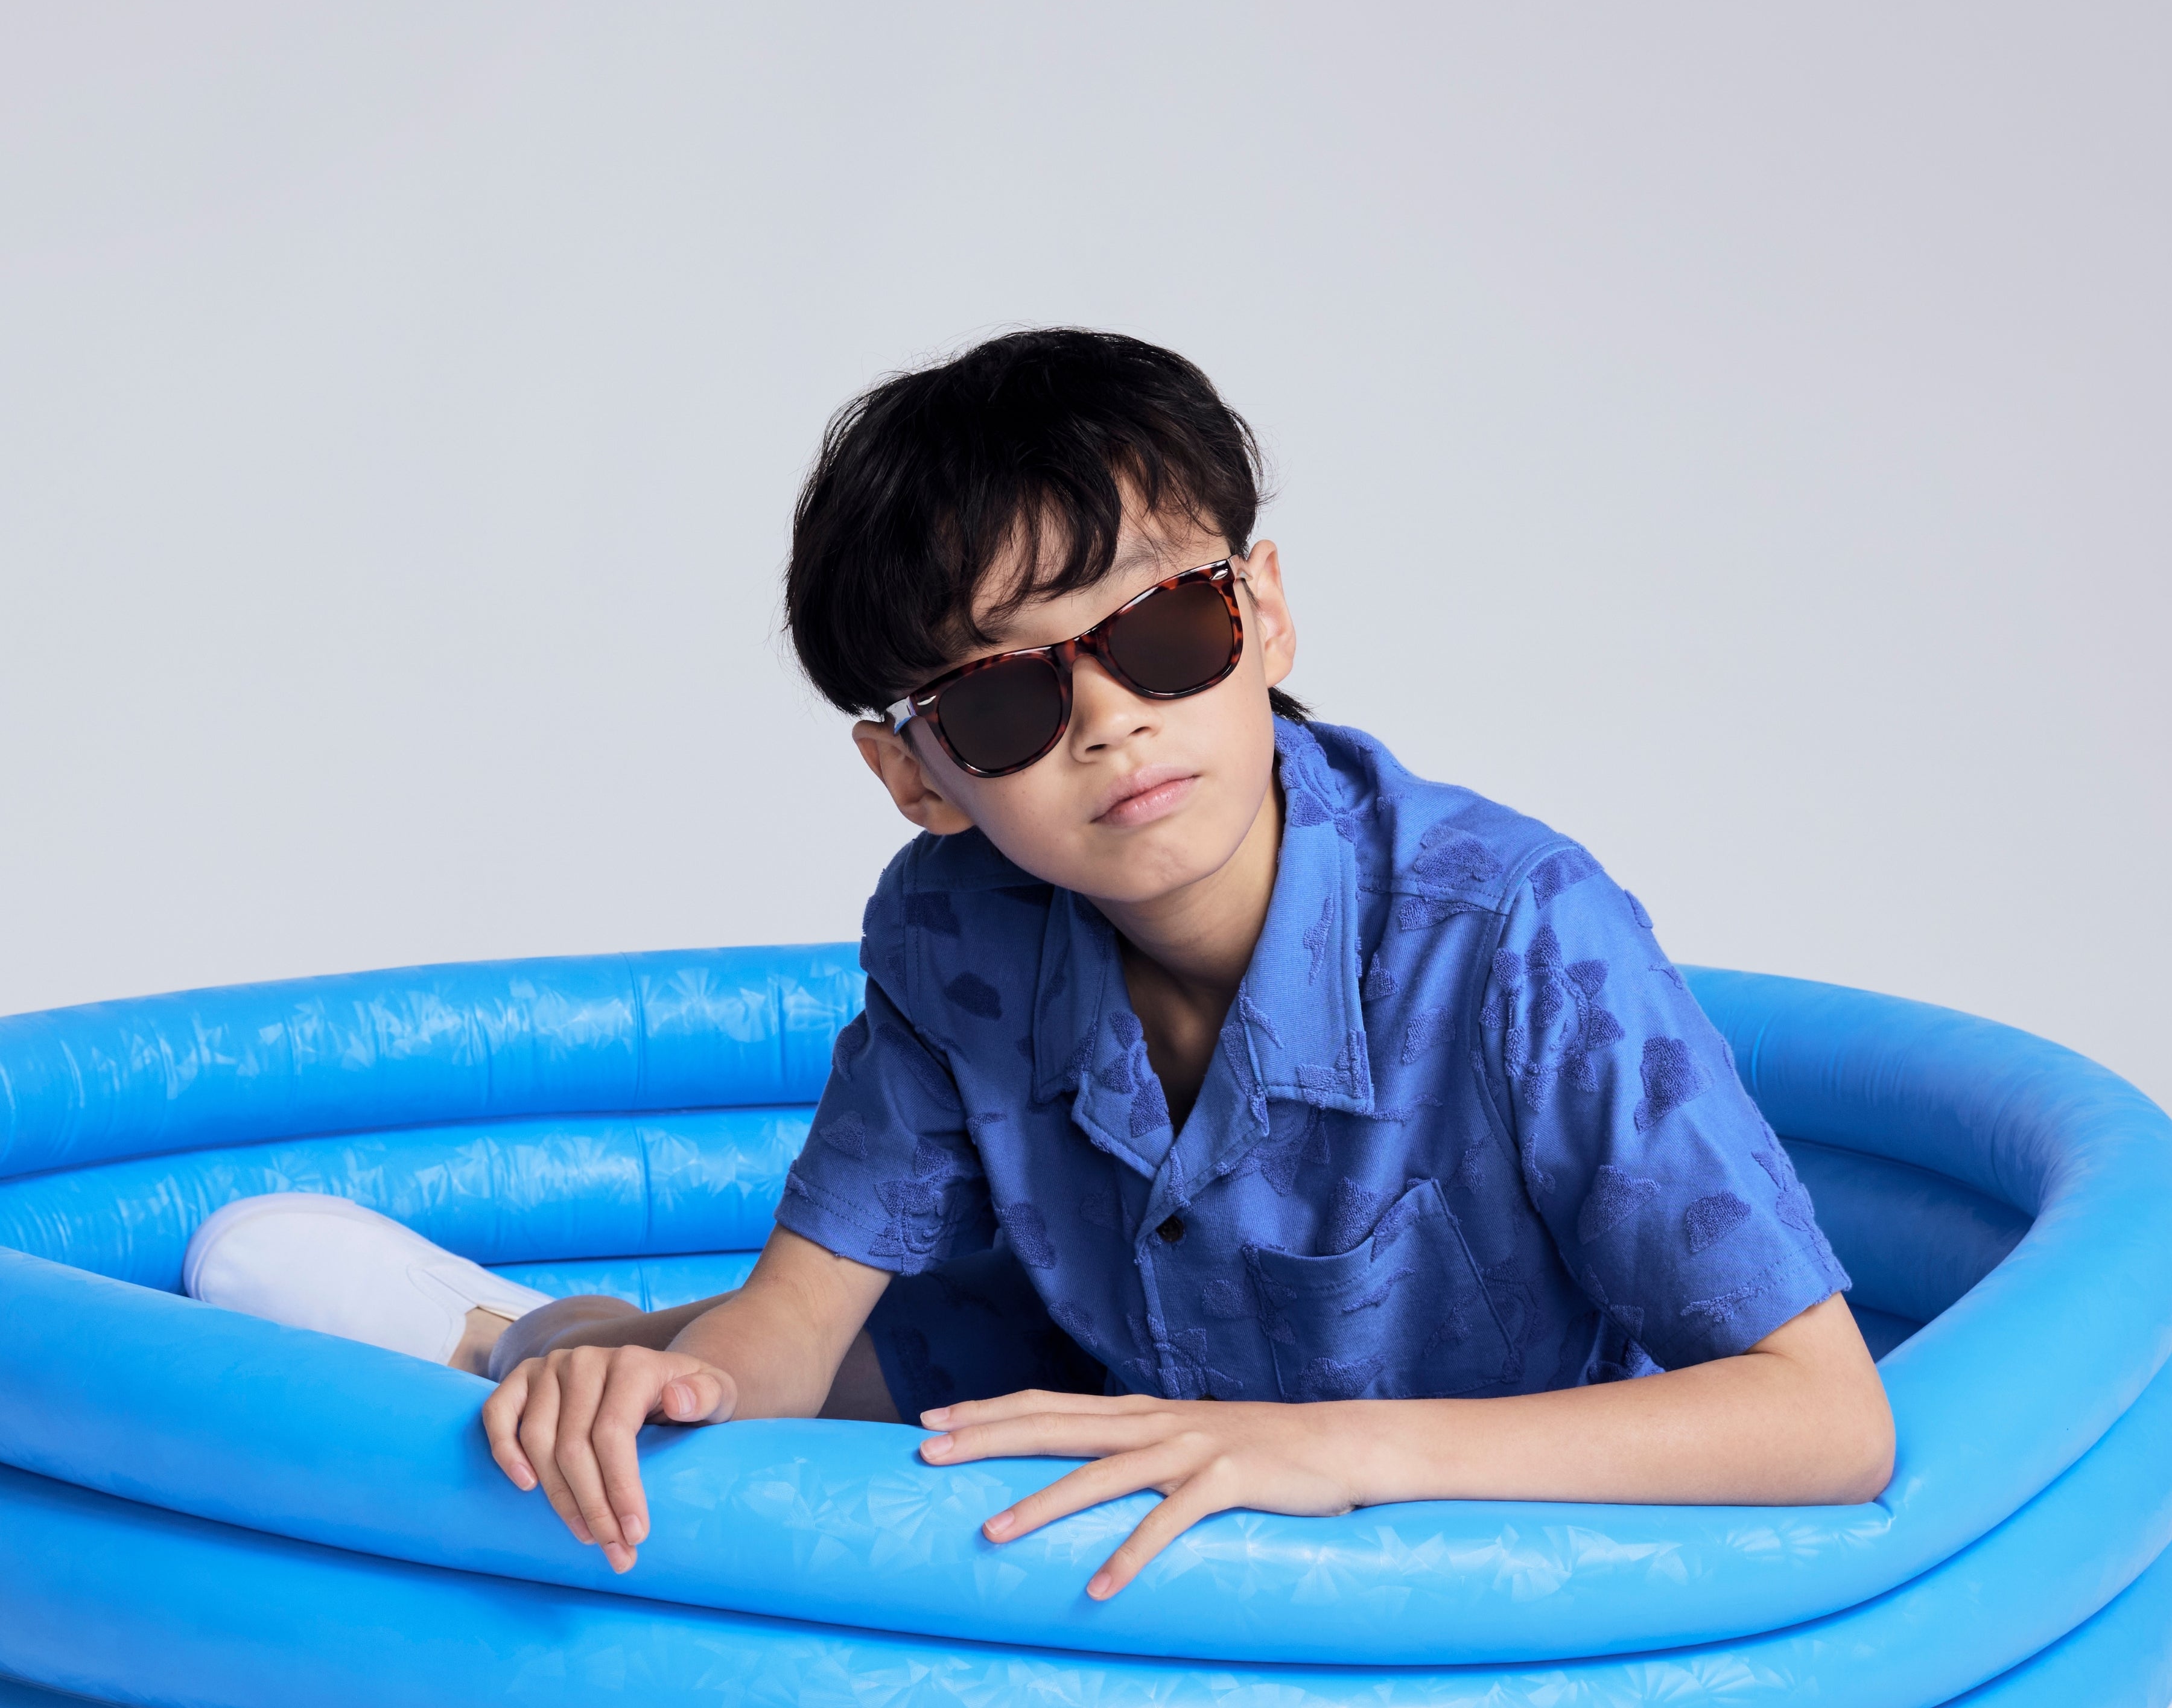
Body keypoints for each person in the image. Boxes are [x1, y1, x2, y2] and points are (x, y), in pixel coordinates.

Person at [187, 329, 1893, 1595]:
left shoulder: (1514, 934)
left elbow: (1831, 1422)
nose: (1113, 720)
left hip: (1444, 1492)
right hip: (1071, 1378)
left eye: (1163, 628)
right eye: (1008, 697)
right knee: (699, 1421)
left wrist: (1326, 1448)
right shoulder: (954, 924)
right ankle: (513, 1334)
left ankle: (530, 1341)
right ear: (917, 772)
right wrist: (639, 1377)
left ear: (1266, 610)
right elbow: (789, 1339)